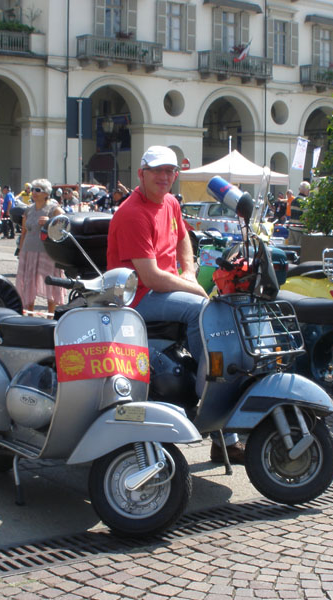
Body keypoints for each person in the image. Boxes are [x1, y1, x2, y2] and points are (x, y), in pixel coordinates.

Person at [107, 146, 245, 464]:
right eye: (157, 171)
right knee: (202, 310)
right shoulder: (132, 213)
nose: (165, 177)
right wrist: (195, 288)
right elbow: (152, 278)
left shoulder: (169, 202)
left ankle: (227, 429)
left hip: (165, 291)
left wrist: (189, 270)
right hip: (137, 298)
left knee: (227, 306)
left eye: (170, 171)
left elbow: (184, 238)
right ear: (141, 173)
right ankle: (206, 391)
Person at [15, 179, 67, 315]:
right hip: (29, 250)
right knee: (28, 283)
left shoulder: (53, 209)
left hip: (47, 252)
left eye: (38, 190)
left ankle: (51, 315)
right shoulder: (28, 210)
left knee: (50, 282)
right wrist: (20, 251)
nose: (34, 192)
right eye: (33, 189)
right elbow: (24, 232)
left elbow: (65, 224)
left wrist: (50, 222)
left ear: (46, 193)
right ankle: (29, 314)